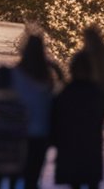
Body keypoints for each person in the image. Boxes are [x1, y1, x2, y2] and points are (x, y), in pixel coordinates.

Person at [50, 51, 104, 189]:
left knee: (74, 182)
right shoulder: (97, 92)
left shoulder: (66, 92)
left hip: (69, 146)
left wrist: (55, 139)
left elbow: (55, 116)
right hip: (91, 145)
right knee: (92, 181)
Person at [12, 34, 63, 189]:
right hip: (42, 131)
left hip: (18, 129)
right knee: (34, 172)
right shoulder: (48, 74)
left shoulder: (17, 73)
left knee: (18, 170)